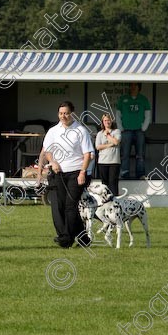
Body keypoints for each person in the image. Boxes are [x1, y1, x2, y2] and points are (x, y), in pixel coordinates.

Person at [37, 101, 94, 249]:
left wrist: (83, 172)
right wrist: (52, 162)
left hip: (76, 172)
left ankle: (65, 239)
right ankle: (83, 238)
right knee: (59, 206)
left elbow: (88, 154)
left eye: (66, 113)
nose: (64, 116)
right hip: (58, 173)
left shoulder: (81, 130)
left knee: (70, 206)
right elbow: (47, 151)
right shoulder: (53, 131)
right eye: (61, 113)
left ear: (72, 114)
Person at [116, 82, 151, 179]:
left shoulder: (143, 99)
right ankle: (124, 174)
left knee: (140, 154)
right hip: (126, 130)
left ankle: (140, 174)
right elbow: (118, 114)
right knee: (125, 154)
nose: (133, 87)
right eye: (131, 85)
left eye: (135, 85)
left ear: (139, 87)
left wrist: (143, 128)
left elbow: (148, 115)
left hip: (139, 131)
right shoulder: (123, 99)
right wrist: (120, 128)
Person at [95, 114, 121, 196]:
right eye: (105, 120)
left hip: (114, 161)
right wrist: (110, 144)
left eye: (108, 120)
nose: (107, 122)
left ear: (111, 121)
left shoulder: (116, 131)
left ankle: (115, 202)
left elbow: (116, 142)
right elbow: (98, 147)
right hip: (102, 161)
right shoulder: (99, 133)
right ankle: (105, 202)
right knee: (104, 184)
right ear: (103, 122)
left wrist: (108, 135)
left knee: (113, 182)